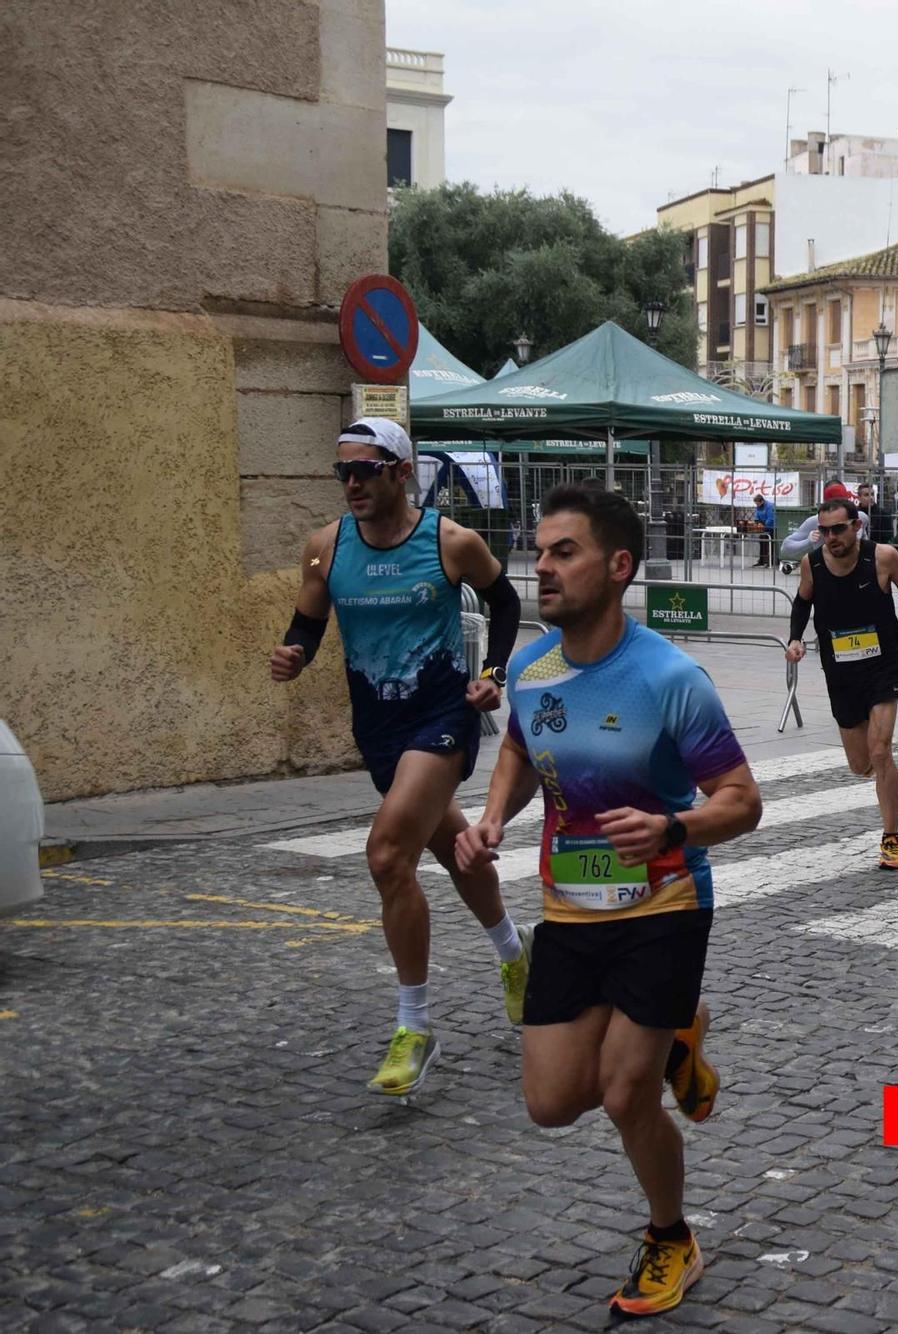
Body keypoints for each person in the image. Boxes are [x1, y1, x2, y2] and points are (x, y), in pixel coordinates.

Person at [456, 484, 762, 1318]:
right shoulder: (528, 666)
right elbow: (522, 748)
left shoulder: (670, 677)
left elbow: (742, 799)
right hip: (568, 911)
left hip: (663, 906)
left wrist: (671, 828)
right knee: (552, 1103)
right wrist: (489, 819)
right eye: (540, 551)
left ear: (619, 566)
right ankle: (677, 1044)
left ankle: (671, 1236)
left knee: (625, 1095)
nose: (542, 568)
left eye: (564, 552)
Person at [269, 417, 528, 1096]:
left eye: (366, 469)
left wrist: (495, 672)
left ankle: (414, 1026)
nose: (351, 483)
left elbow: (505, 600)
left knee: (387, 855)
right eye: (342, 472)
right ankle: (515, 957)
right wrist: (295, 652)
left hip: (442, 719)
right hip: (379, 729)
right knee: (453, 847)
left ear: (400, 471)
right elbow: (309, 618)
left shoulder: (449, 541)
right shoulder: (326, 548)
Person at [785, 497, 898, 868]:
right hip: (841, 673)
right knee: (860, 763)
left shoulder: (882, 557)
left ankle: (891, 838)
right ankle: (879, 775)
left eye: (838, 529)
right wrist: (796, 638)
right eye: (825, 530)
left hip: (884, 666)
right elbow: (802, 603)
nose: (831, 537)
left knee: (881, 752)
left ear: (856, 526)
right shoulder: (811, 564)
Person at [776, 482, 870, 567]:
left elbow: (865, 542)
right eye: (824, 530)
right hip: (827, 572)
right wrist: (808, 542)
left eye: (839, 528)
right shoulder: (814, 521)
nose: (832, 535)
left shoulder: (859, 518)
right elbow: (785, 548)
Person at [749, 493, 776, 568]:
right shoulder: (758, 507)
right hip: (762, 526)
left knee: (769, 544)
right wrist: (757, 522)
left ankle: (769, 561)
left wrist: (764, 526)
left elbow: (771, 518)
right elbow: (757, 516)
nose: (757, 505)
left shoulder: (770, 506)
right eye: (756, 504)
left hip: (770, 527)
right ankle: (761, 560)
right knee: (762, 542)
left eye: (757, 503)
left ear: (762, 501)